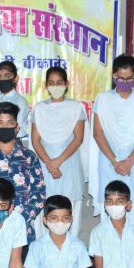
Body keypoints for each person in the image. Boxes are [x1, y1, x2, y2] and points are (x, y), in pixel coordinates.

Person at [90, 54, 134, 228]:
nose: (125, 82)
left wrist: (129, 161)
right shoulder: (103, 99)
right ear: (113, 76)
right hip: (109, 163)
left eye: (129, 79)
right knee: (109, 220)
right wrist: (115, 161)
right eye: (121, 78)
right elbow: (97, 133)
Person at [0, 101, 45, 242]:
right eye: (0, 123)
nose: (5, 127)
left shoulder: (29, 157)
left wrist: (19, 220)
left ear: (17, 128)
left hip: (22, 231)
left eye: (10, 123)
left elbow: (38, 194)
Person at [31, 67, 87, 236]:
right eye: (51, 83)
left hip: (68, 166)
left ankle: (70, 249)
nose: (55, 86)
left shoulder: (76, 107)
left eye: (59, 83)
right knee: (46, 208)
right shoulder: (39, 109)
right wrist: (50, 164)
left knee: (70, 208)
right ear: (46, 86)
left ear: (66, 84)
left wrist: (57, 162)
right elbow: (35, 141)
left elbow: (78, 138)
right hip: (45, 166)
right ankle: (44, 250)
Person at [0, 60, 30, 150]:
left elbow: (12, 131)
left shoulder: (21, 102)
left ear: (15, 78)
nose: (3, 80)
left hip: (15, 145)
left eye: (7, 76)